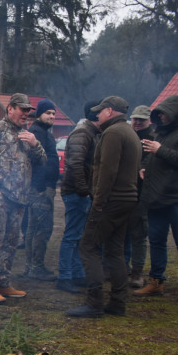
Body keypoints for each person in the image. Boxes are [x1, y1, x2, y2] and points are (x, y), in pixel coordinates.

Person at [66, 96, 142, 318]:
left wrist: (98, 203)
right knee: (115, 251)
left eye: (100, 111)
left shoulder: (113, 133)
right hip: (127, 199)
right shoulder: (130, 133)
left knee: (88, 247)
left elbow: (107, 171)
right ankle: (118, 302)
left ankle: (94, 302)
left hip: (110, 201)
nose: (97, 115)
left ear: (110, 111)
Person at [133, 94, 178, 304]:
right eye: (161, 114)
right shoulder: (162, 131)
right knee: (156, 240)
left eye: (165, 114)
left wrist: (161, 150)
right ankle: (156, 281)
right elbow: (148, 155)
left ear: (177, 114)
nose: (162, 117)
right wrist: (144, 167)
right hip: (156, 194)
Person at [0, 93, 45, 304]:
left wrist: (35, 144)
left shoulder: (26, 134)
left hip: (19, 198)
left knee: (11, 242)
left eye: (28, 110)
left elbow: (42, 161)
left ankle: (3, 283)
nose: (26, 114)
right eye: (22, 109)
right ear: (10, 108)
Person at [56, 101, 101, 294]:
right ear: (97, 113)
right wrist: (84, 190)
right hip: (76, 193)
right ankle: (64, 277)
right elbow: (75, 164)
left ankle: (76, 273)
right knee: (72, 235)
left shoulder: (91, 132)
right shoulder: (83, 133)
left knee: (79, 236)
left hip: (81, 192)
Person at [23, 99, 60, 281]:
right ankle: (36, 267)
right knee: (42, 228)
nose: (52, 117)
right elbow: (35, 163)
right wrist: (39, 188)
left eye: (53, 114)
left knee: (33, 228)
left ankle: (31, 266)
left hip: (41, 187)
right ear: (40, 115)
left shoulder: (43, 132)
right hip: (41, 188)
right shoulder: (37, 133)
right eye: (48, 113)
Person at [125, 106, 153, 287]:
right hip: (125, 191)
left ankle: (137, 272)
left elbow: (150, 163)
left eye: (142, 119)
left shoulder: (152, 139)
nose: (138, 122)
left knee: (139, 234)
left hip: (142, 194)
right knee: (121, 233)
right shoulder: (128, 135)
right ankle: (121, 268)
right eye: (135, 118)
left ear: (149, 120)